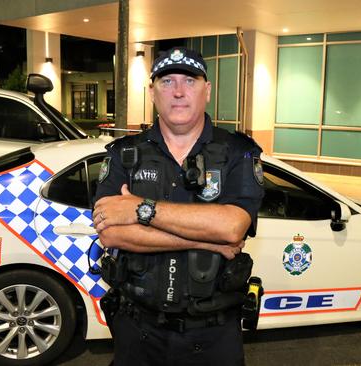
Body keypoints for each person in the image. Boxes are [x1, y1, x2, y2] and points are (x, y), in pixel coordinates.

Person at [93, 47, 264, 366]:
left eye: (189, 80)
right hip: (138, 333)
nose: (179, 92)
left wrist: (139, 209)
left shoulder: (237, 152)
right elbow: (111, 234)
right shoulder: (124, 154)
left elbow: (232, 227)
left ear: (207, 91)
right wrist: (202, 239)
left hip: (214, 338)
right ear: (152, 92)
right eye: (167, 82)